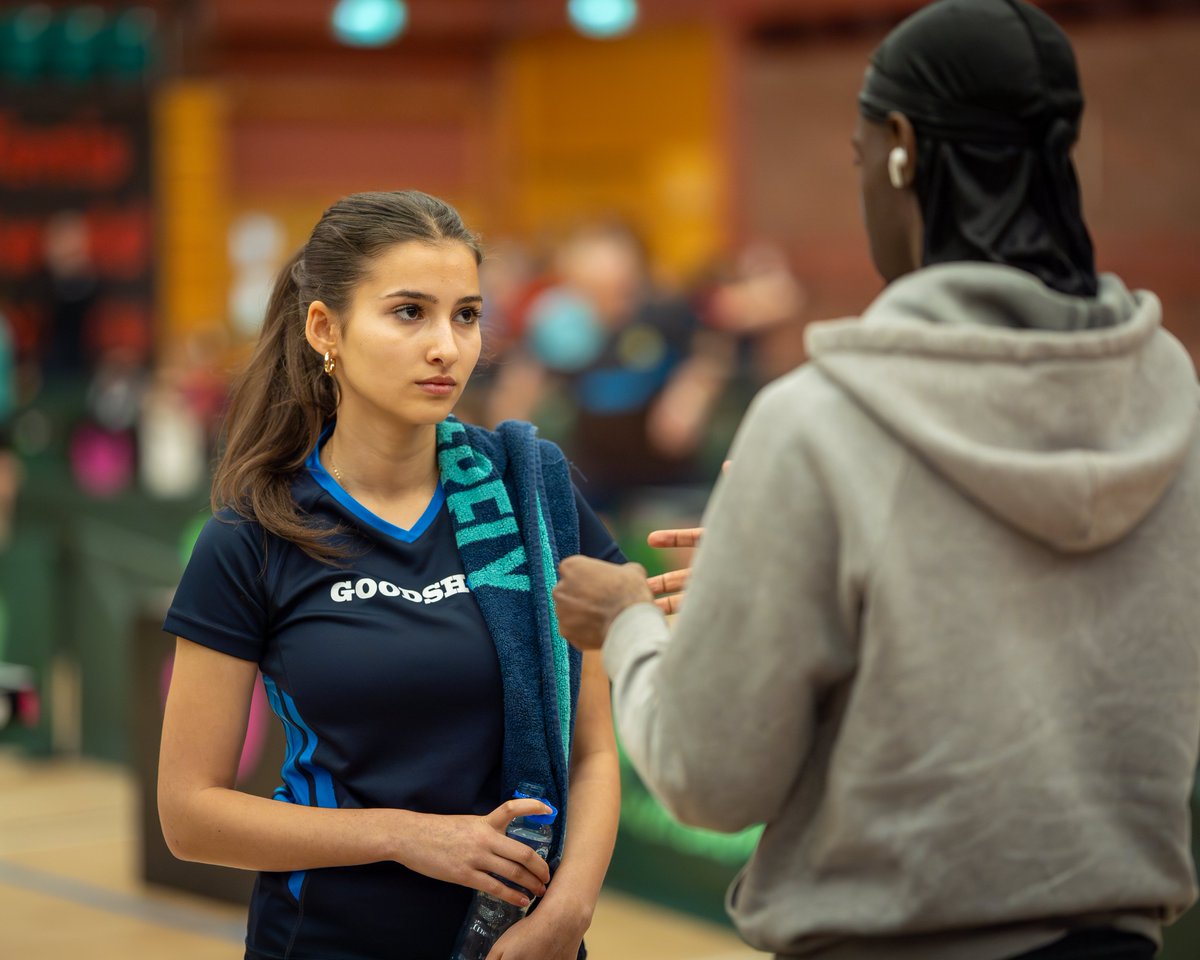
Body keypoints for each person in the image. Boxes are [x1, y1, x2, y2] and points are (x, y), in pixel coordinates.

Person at [552, 2, 1200, 959]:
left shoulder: (818, 421)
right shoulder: (1169, 389)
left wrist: (628, 623)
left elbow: (708, 777)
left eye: (857, 157)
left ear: (899, 149)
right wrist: (786, 577)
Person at [157, 190, 621, 960]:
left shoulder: (532, 491)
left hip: (526, 941)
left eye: (466, 315)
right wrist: (404, 837)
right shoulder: (251, 536)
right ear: (324, 330)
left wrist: (567, 912)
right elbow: (189, 813)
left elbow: (593, 750)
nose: (447, 346)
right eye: (410, 312)